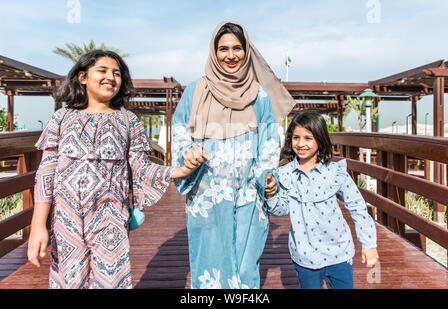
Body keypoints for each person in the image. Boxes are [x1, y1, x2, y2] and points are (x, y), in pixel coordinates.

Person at [27, 50, 203, 289]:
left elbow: (141, 168)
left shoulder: (129, 121)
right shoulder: (61, 118)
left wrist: (179, 171)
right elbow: (46, 173)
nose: (111, 77)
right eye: (102, 70)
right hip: (65, 221)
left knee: (112, 281)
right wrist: (38, 226)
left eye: (117, 73)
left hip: (111, 220)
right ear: (82, 77)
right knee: (68, 282)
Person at [171, 21, 296, 289]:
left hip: (250, 194)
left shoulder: (260, 96)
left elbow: (269, 143)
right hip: (208, 193)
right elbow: (180, 129)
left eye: (237, 48)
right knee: (210, 263)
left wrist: (267, 177)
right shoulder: (195, 91)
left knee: (245, 263)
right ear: (214, 53)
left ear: (247, 51)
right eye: (223, 49)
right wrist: (187, 154)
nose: (231, 55)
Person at [266, 111, 379, 289]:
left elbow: (357, 206)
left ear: (320, 139)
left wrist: (369, 244)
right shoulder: (285, 174)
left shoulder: (336, 172)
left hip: (339, 253)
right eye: (296, 137)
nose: (301, 144)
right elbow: (280, 210)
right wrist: (271, 194)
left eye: (308, 138)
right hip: (305, 256)